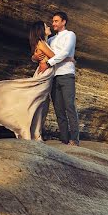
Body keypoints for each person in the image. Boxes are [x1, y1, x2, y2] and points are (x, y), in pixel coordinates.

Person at [0, 21, 73, 140]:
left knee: (41, 104)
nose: (49, 27)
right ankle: (30, 132)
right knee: (35, 103)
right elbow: (55, 57)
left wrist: (35, 58)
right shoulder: (41, 43)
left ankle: (35, 133)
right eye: (46, 26)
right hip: (44, 75)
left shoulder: (42, 42)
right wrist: (70, 59)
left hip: (45, 73)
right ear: (40, 29)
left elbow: (40, 57)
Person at [34, 11, 79, 146]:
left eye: (56, 21)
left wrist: (49, 62)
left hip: (66, 75)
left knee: (70, 106)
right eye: (53, 21)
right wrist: (35, 57)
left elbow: (64, 52)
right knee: (58, 109)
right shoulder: (51, 39)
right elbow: (43, 52)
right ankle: (64, 139)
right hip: (53, 76)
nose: (53, 24)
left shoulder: (70, 35)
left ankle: (74, 139)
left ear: (63, 22)